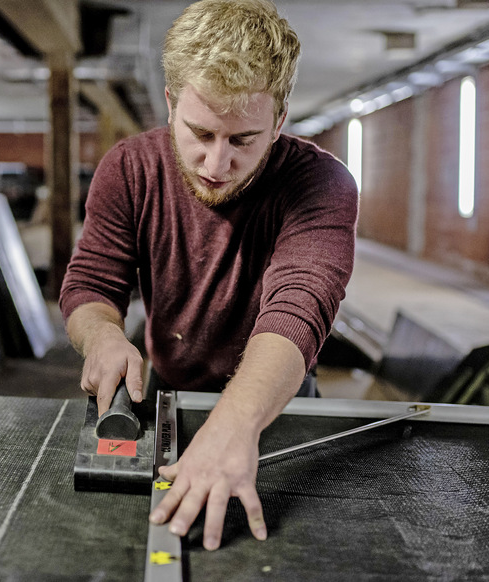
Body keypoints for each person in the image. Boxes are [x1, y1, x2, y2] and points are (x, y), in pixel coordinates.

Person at [59, 0, 358, 551]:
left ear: (280, 120)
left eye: (243, 140)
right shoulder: (128, 169)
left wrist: (237, 421)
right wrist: (101, 335)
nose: (216, 166)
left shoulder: (322, 183)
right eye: (201, 133)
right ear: (172, 104)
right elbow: (92, 282)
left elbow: (299, 306)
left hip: (278, 401)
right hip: (167, 393)